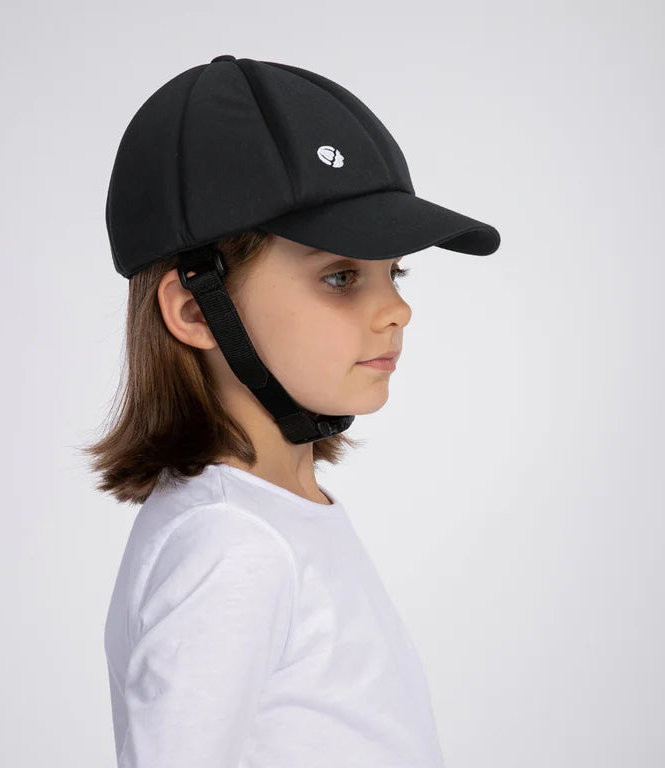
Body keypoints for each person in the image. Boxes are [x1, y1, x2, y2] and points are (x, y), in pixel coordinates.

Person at [84, 54, 501, 768]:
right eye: (340, 277)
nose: (397, 309)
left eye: (394, 272)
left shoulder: (276, 515)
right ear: (196, 311)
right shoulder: (232, 547)